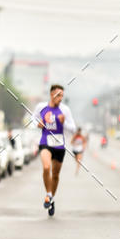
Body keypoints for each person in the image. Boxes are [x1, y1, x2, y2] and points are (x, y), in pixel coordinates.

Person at [31, 84, 76, 217]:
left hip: (59, 145)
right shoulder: (41, 107)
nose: (60, 98)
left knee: (55, 175)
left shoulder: (65, 110)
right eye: (58, 95)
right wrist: (37, 124)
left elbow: (73, 128)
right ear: (51, 94)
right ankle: (48, 195)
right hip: (46, 142)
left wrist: (64, 123)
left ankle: (51, 197)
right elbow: (32, 118)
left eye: (62, 95)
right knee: (46, 167)